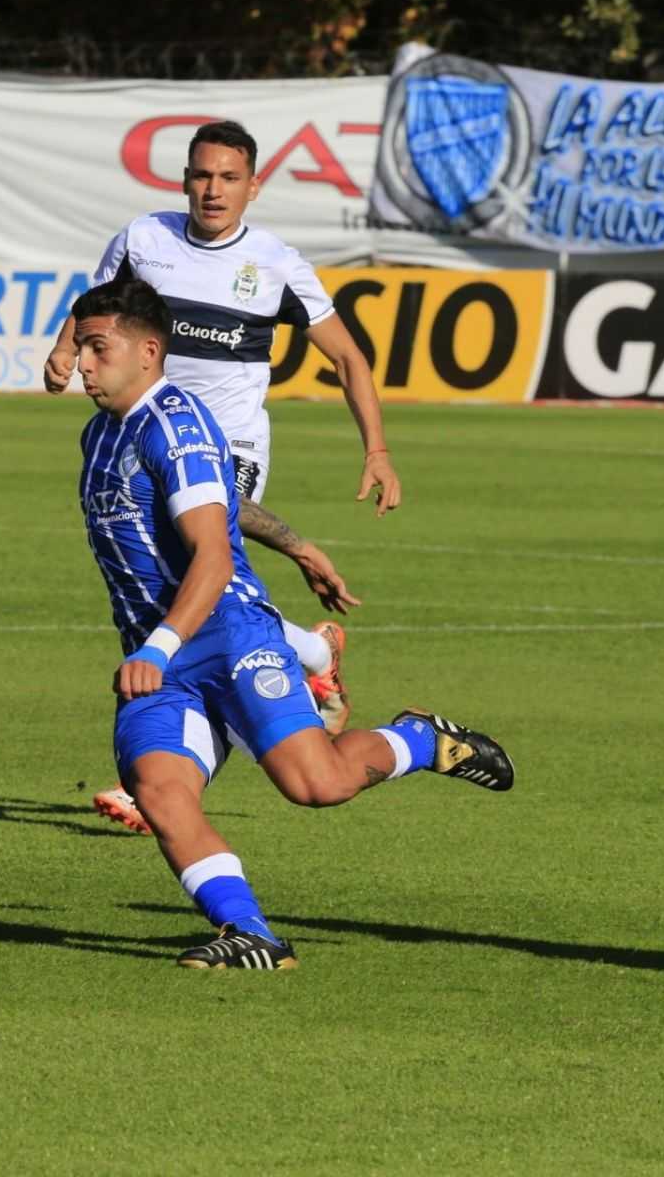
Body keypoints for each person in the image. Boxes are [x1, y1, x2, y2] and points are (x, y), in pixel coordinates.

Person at [72, 279, 512, 969]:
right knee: (160, 790)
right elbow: (216, 501)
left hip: (225, 632)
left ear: (150, 350)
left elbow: (213, 558)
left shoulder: (176, 427)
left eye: (98, 348)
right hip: (159, 656)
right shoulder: (100, 433)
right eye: (80, 348)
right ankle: (252, 935)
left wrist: (159, 644)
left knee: (318, 785)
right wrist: (297, 545)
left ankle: (421, 741)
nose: (83, 364)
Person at [45, 119, 402, 833]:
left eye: (229, 178)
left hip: (230, 444)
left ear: (253, 185)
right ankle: (309, 649)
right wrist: (62, 351)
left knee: (208, 567)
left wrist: (377, 450)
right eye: (202, 175)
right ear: (184, 179)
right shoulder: (143, 239)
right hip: (148, 434)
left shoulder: (275, 264)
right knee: (177, 590)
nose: (213, 190)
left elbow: (349, 358)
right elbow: (92, 313)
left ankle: (161, 777)